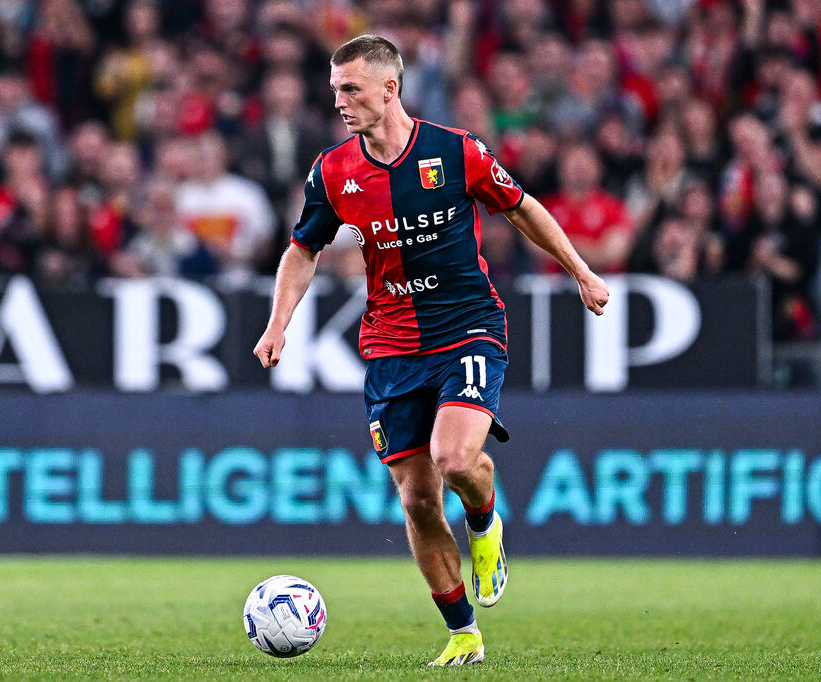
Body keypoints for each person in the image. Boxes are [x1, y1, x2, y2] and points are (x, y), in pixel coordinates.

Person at [253, 35, 608, 666]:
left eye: (351, 88)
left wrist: (580, 270)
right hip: (390, 348)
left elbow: (522, 209)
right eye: (335, 89)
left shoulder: (456, 150)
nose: (339, 101)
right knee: (415, 498)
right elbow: (302, 250)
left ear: (390, 89)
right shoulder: (333, 172)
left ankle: (485, 520)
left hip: (468, 326)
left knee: (454, 456)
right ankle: (464, 633)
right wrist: (279, 322)